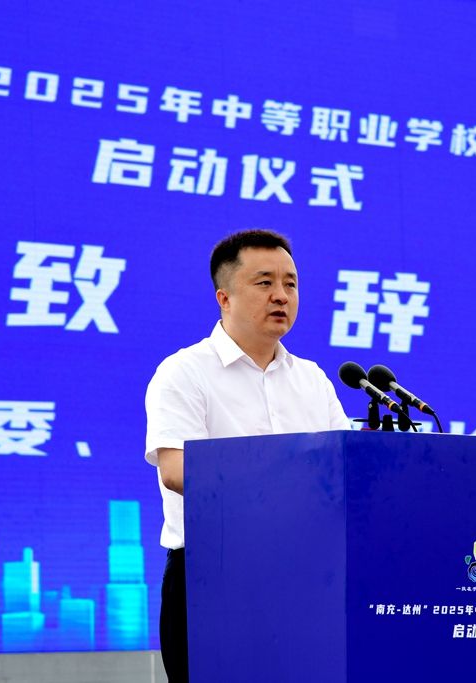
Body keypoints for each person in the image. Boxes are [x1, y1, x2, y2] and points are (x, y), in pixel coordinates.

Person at [144, 229, 350, 682]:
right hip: (214, 575)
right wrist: (287, 480)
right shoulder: (183, 372)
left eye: (290, 283)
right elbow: (176, 470)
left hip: (305, 575)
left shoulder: (312, 380)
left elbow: (343, 472)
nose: (281, 295)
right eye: (264, 283)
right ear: (224, 298)